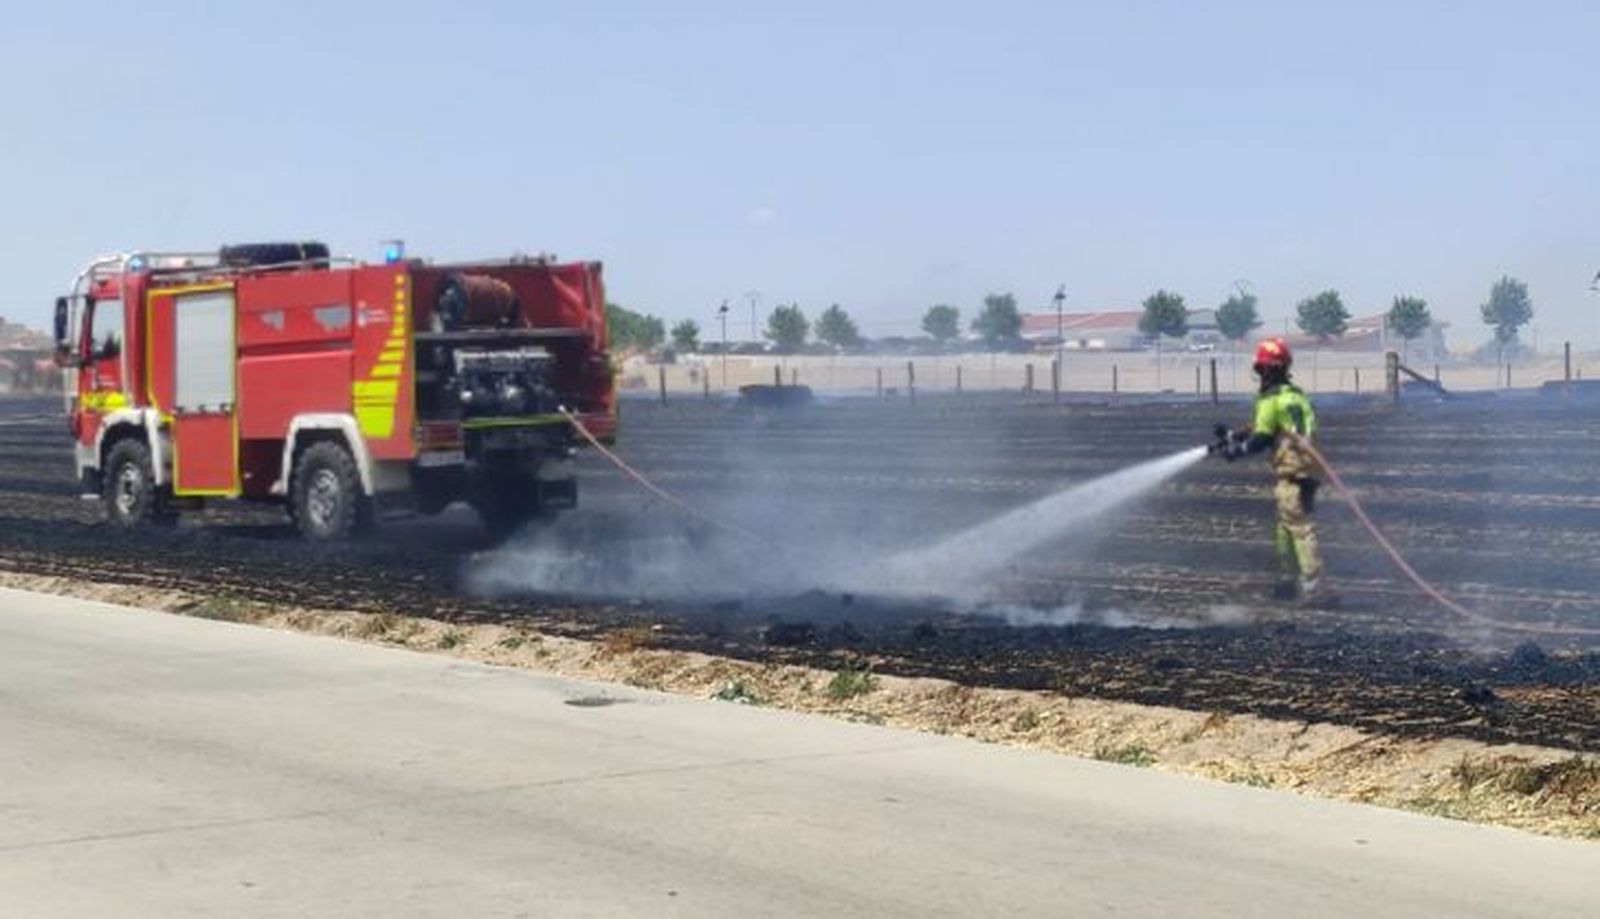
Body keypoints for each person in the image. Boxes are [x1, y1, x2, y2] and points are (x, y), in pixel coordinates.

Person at [1216, 337, 1325, 603]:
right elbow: (1269, 426)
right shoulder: (1296, 396)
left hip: (1292, 472)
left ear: (1263, 369)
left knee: (1299, 528)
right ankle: (1286, 582)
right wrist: (1232, 436)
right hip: (1309, 470)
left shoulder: (1270, 399)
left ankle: (1313, 588)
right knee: (1285, 527)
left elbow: (1263, 436)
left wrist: (1237, 451)